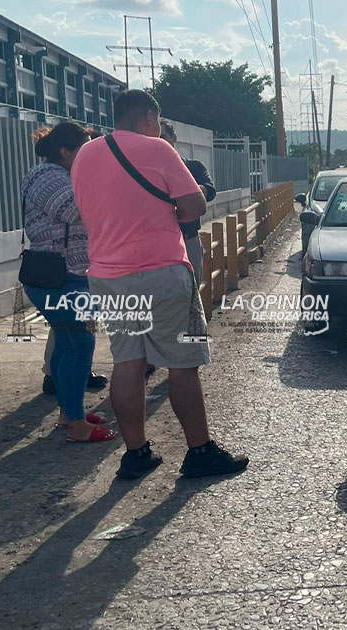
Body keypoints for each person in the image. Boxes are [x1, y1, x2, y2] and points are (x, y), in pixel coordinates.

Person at [71, 89, 248, 480]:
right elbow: (194, 206)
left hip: (108, 274)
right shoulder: (158, 149)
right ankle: (199, 451)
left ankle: (136, 454)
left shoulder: (85, 154)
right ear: (150, 117)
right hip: (161, 271)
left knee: (128, 362)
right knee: (183, 364)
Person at [21, 123, 116, 443]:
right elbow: (79, 211)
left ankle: (68, 411)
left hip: (68, 274)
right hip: (57, 277)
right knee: (81, 343)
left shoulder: (62, 175)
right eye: (85, 149)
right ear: (65, 152)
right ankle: (75, 423)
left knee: (66, 343)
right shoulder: (47, 177)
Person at [159, 120, 217, 287]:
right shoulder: (148, 171)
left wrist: (187, 189)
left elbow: (210, 190)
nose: (160, 142)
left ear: (174, 138)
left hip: (188, 236)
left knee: (192, 288)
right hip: (159, 242)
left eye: (163, 137)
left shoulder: (193, 167)